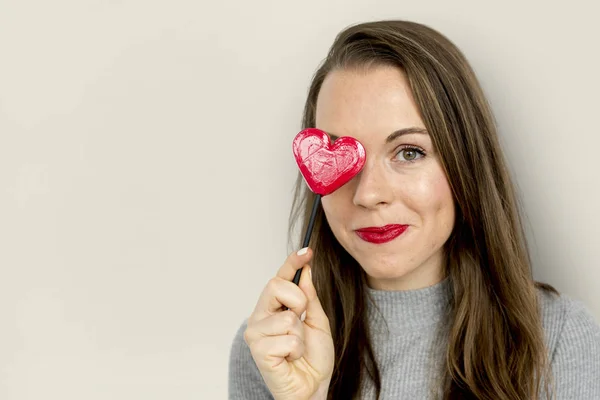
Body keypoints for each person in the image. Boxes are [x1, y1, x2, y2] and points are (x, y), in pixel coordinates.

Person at [228, 20, 600, 399]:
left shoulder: (559, 337)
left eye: (409, 152)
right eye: (343, 157)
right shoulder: (271, 349)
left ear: (464, 165)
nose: (368, 195)